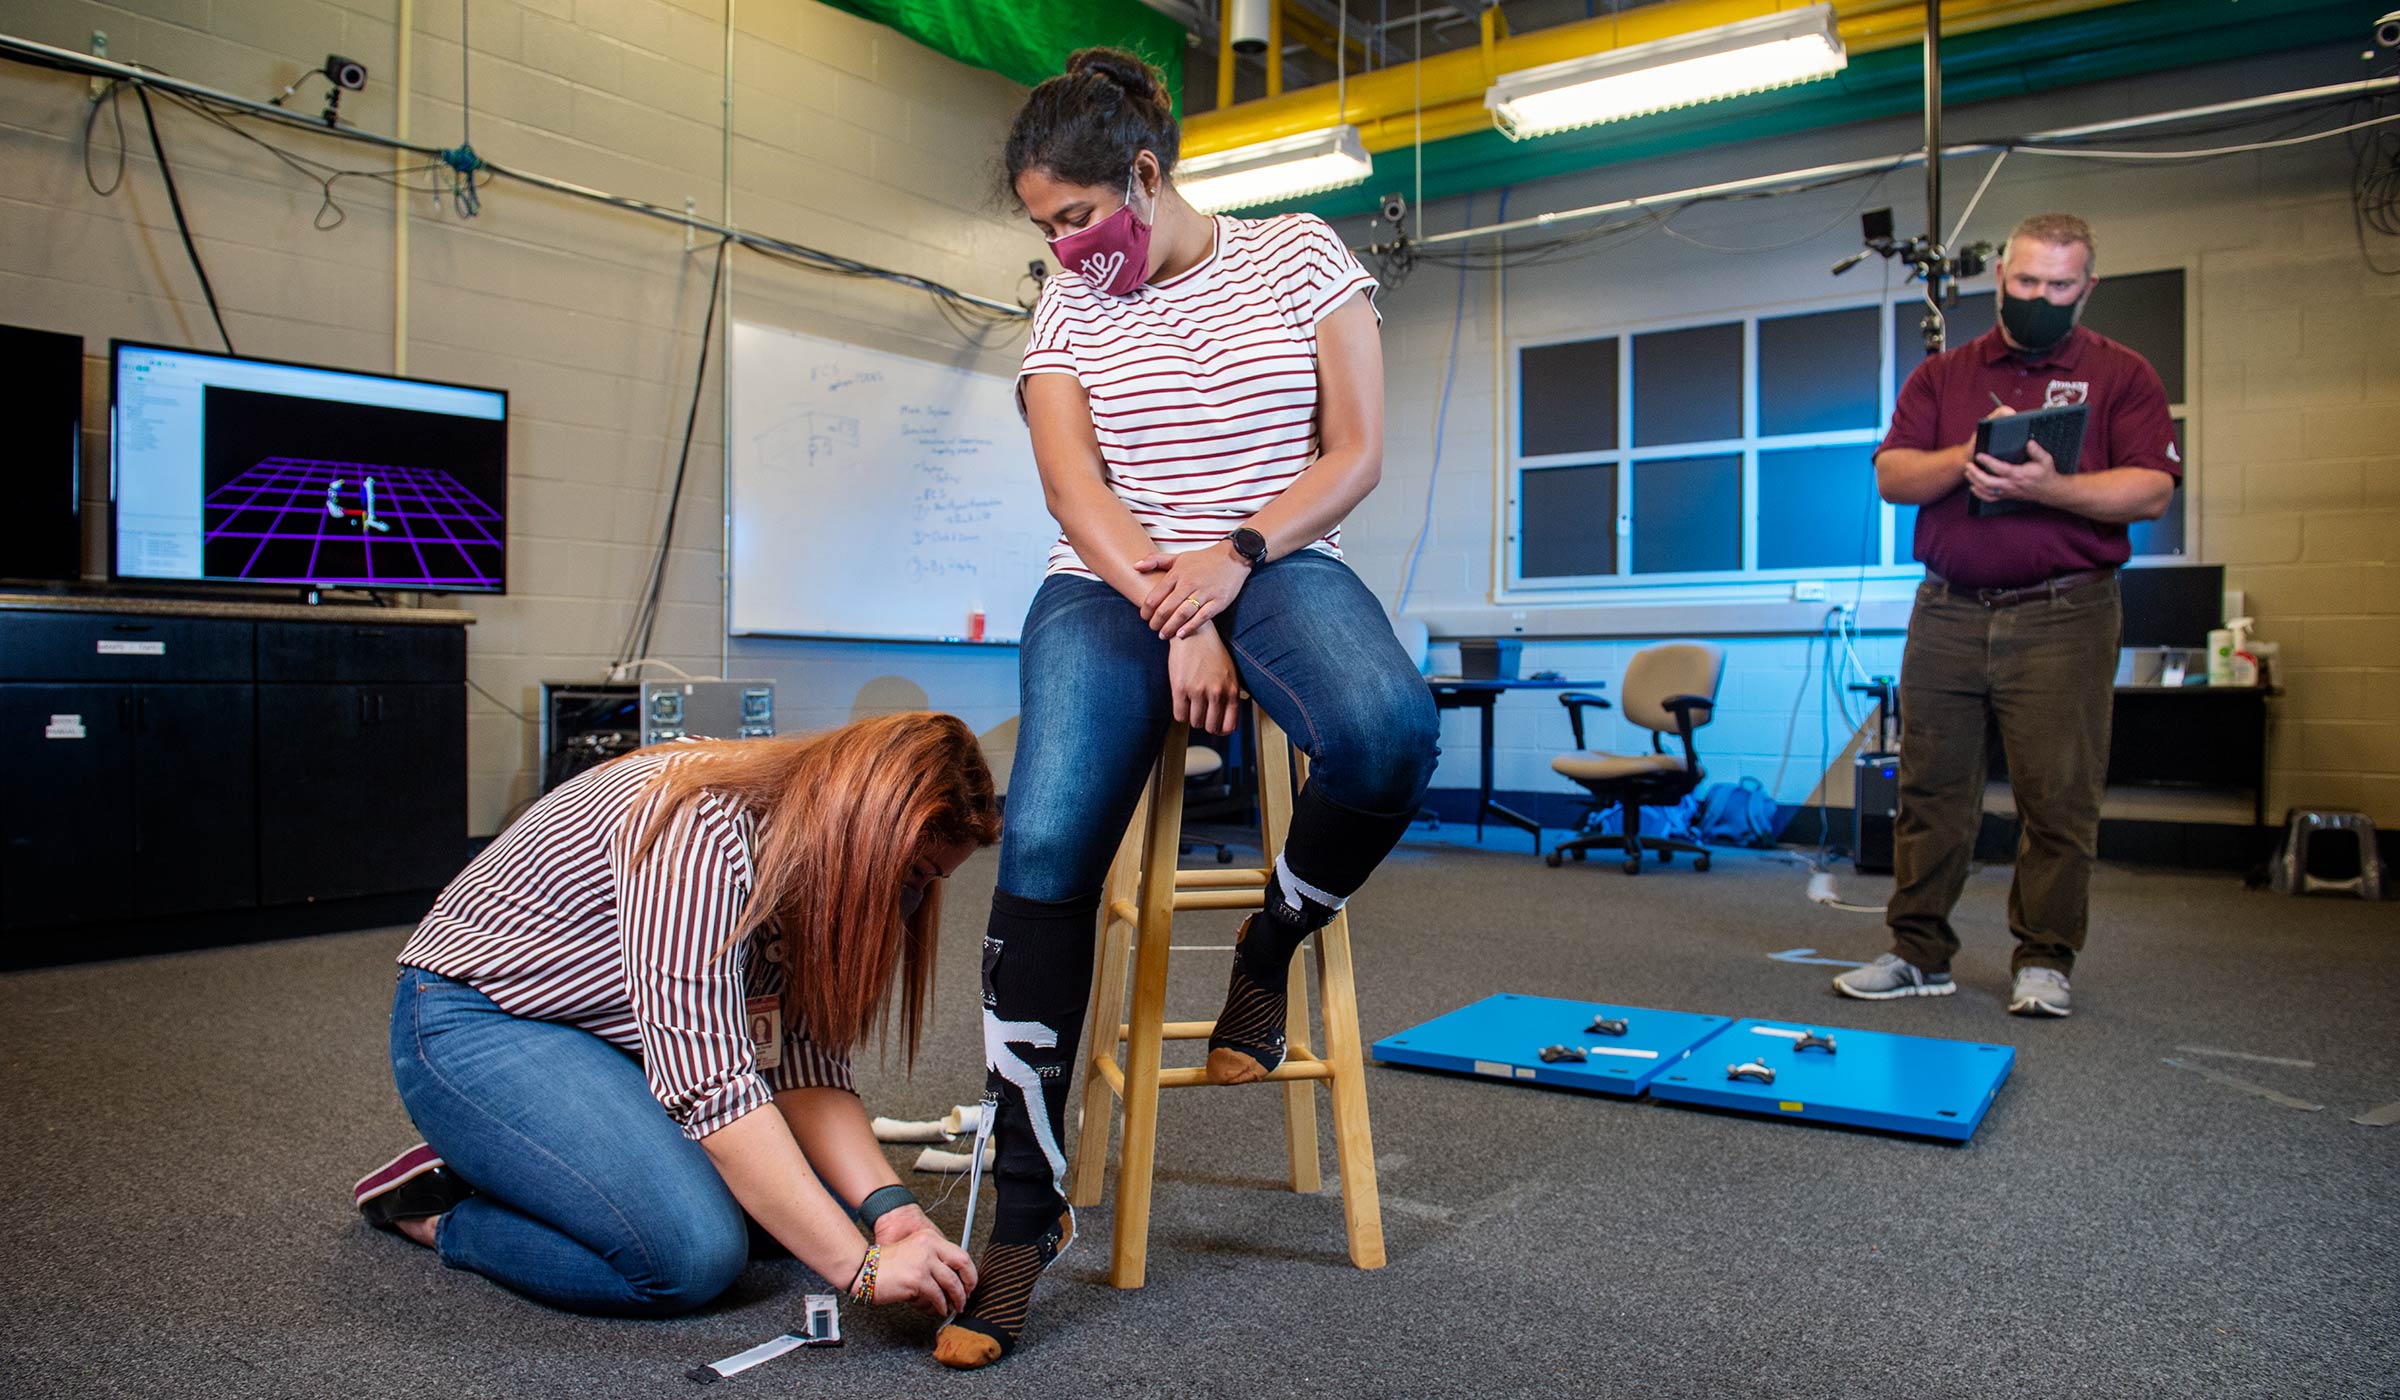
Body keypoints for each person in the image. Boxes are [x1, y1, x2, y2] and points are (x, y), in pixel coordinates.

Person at [931, 47, 1438, 1370]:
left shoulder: (1299, 256)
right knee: (1042, 845)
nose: (1062, 248)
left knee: (1389, 735)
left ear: (1145, 177)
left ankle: (1271, 946)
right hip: (1112, 585)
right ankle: (1026, 1228)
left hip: (1275, 556)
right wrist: (1181, 608)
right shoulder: (1068, 310)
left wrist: (1238, 566)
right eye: (1044, 228)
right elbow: (1076, 491)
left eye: (1075, 219)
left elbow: (1356, 453)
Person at [352, 712, 994, 1326]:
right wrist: (861, 1269)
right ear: (865, 824)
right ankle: (447, 1207)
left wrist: (892, 1213)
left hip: (607, 1034)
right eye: (914, 873)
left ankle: (540, 1158)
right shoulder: (701, 826)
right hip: (475, 1021)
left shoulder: (804, 845)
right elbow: (711, 1086)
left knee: (796, 1215)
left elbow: (801, 1058)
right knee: (689, 1255)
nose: (912, 902)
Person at [1837, 212, 2178, 1018]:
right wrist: (1970, 457)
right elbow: (1892, 475)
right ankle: (1919, 953)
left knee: (2057, 796)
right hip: (1949, 609)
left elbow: (2152, 490)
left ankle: (2045, 960)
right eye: (2027, 282)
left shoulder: (2121, 375)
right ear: (2002, 279)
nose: (2041, 297)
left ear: (2086, 288)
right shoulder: (1944, 377)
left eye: (2060, 285)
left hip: (2064, 613)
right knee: (1929, 790)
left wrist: (2044, 487)